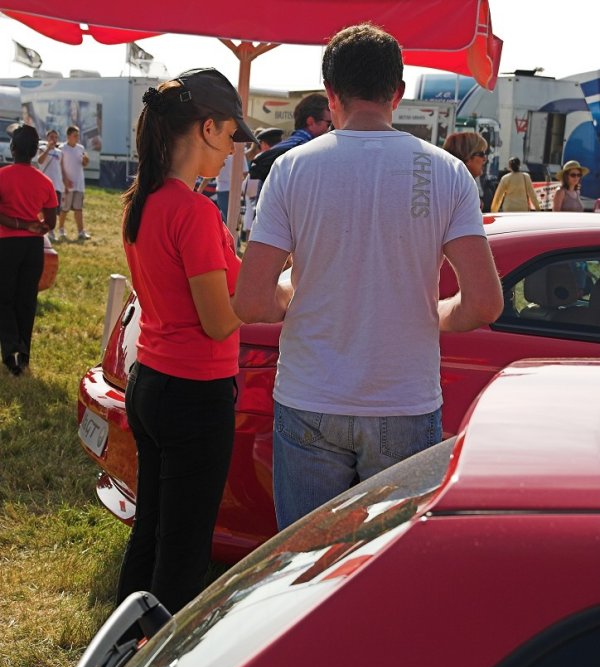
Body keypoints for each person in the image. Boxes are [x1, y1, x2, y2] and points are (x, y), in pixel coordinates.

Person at [233, 23, 503, 531]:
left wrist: (291, 292)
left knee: (305, 570)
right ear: (397, 93)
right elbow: (484, 304)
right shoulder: (446, 171)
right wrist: (435, 314)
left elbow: (250, 302)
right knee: (387, 574)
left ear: (330, 94)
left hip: (310, 396)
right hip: (404, 397)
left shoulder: (291, 170)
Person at [117, 68, 256, 614]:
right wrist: (280, 298)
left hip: (150, 381)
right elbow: (219, 320)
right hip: (195, 393)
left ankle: (120, 652)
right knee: (184, 548)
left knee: (150, 528)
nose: (230, 151)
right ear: (206, 128)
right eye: (228, 137)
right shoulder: (194, 211)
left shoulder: (142, 200)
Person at [0, 124, 57, 376]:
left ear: (13, 148)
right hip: (33, 246)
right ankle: (23, 356)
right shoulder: (45, 181)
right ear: (35, 151)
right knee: (26, 300)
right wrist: (35, 226)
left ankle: (10, 351)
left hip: (6, 244)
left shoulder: (2, 176)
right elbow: (51, 222)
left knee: (5, 298)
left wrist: (17, 224)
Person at [248, 93, 331, 185]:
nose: (330, 129)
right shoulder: (309, 152)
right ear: (311, 122)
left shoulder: (276, 151)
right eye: (329, 123)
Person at [57, 125, 91, 241]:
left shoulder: (81, 148)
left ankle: (81, 232)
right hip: (66, 184)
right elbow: (59, 166)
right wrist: (65, 180)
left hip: (79, 183)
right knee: (64, 209)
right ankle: (61, 230)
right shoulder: (62, 148)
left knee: (78, 208)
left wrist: (86, 161)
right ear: (68, 136)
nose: (77, 137)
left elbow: (84, 164)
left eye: (78, 135)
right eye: (75, 135)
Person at [442, 131, 488, 208]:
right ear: (467, 157)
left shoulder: (447, 185)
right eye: (481, 154)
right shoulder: (461, 193)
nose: (485, 158)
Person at [37, 129, 65, 241]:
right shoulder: (42, 149)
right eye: (51, 137)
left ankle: (51, 231)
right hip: (44, 185)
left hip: (57, 185)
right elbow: (40, 161)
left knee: (53, 211)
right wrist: (48, 148)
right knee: (42, 209)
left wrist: (64, 183)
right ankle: (42, 230)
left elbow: (61, 168)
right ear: (47, 138)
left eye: (55, 137)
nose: (53, 139)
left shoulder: (60, 153)